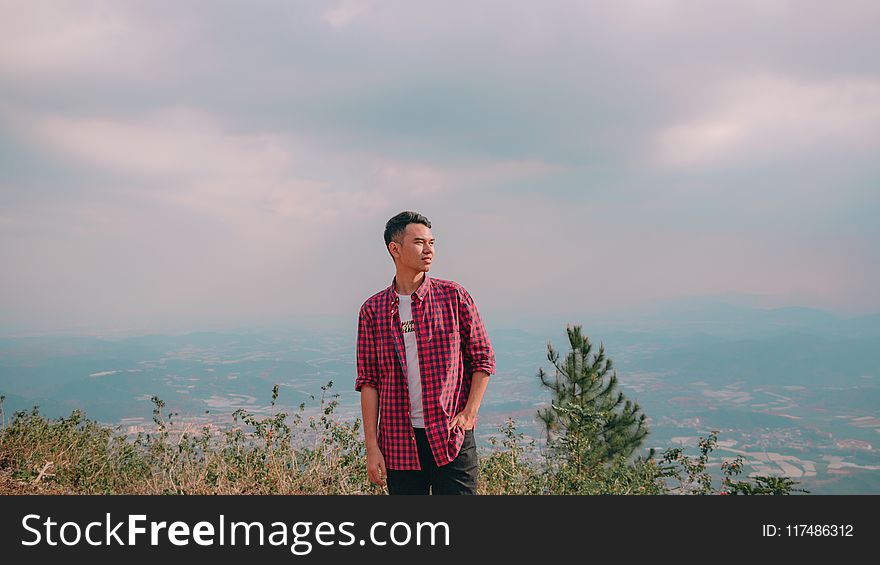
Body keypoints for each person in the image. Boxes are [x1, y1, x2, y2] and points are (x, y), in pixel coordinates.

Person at [355, 211, 496, 495]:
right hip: (399, 443)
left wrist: (469, 414)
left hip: (450, 438)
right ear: (395, 249)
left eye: (432, 242)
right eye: (419, 242)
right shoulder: (373, 310)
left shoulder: (454, 297)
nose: (429, 249)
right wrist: (372, 447)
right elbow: (369, 382)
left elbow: (483, 359)